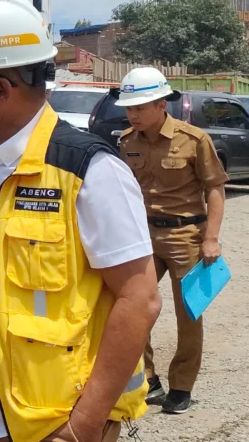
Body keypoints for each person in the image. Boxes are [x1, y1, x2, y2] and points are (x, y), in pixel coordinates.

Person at [0, 0, 160, 442]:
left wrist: (83, 426)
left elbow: (140, 300)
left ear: (0, 89)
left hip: (51, 425)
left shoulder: (89, 169)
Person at [115, 67, 227, 415]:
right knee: (131, 307)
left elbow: (216, 189)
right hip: (143, 234)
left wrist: (211, 238)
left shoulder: (193, 140)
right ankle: (149, 379)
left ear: (161, 104)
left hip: (185, 235)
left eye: (139, 107)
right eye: (129, 108)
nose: (132, 114)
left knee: (188, 315)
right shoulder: (126, 142)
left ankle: (181, 386)